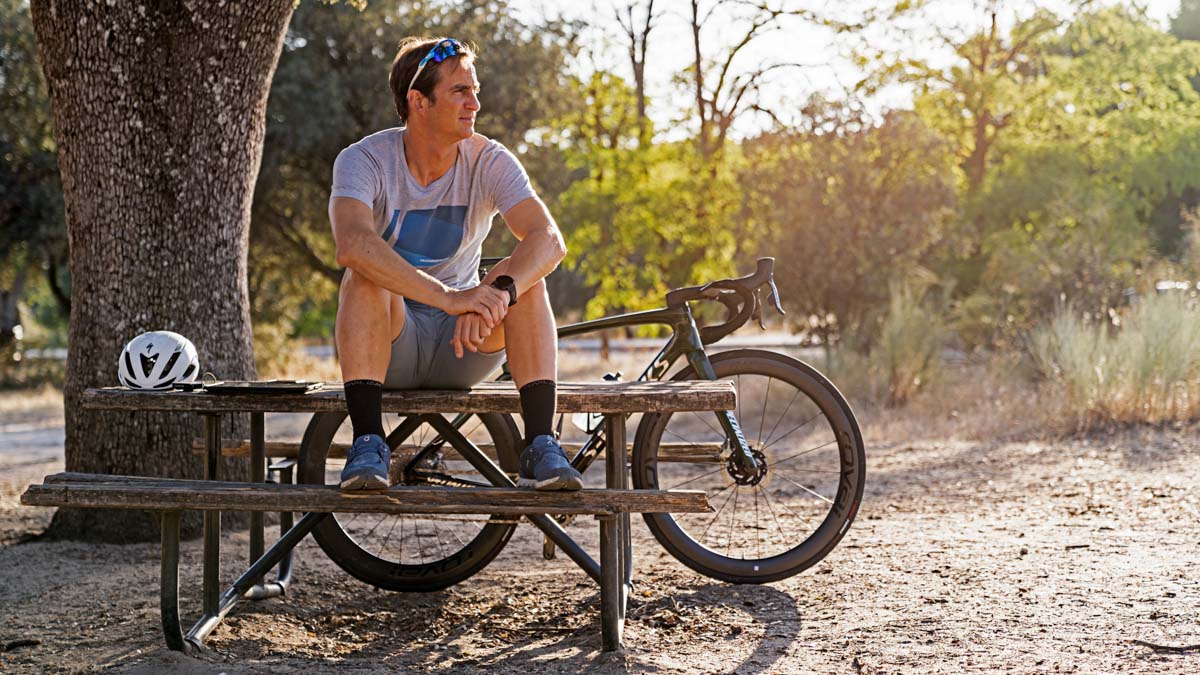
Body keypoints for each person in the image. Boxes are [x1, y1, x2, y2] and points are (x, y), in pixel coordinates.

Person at [328, 36, 581, 492]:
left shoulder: (489, 159)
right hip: (390, 344)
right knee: (364, 275)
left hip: (464, 346)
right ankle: (368, 445)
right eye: (460, 91)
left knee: (521, 277)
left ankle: (541, 445)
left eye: (475, 89)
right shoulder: (364, 159)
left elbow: (549, 240)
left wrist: (494, 297)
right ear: (418, 101)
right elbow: (351, 242)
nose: (475, 103)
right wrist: (449, 298)